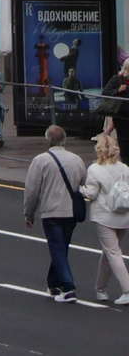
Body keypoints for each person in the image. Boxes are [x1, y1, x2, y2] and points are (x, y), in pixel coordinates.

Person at [20, 124, 88, 302]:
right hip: (71, 211)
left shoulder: (40, 160)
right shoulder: (77, 160)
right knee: (61, 247)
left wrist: (29, 214)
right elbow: (84, 183)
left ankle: (68, 287)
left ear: (47, 140)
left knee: (57, 248)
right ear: (64, 140)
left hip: (51, 211)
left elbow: (32, 191)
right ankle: (53, 284)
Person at [82, 128, 129, 303]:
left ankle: (127, 290)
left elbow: (91, 193)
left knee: (113, 252)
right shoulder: (124, 168)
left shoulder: (94, 169)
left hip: (105, 216)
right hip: (124, 215)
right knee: (108, 252)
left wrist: (80, 190)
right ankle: (100, 289)